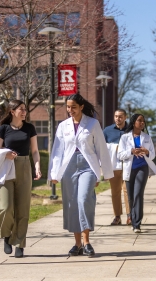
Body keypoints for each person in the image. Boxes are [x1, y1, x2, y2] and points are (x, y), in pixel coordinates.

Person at [48, 94, 113, 257]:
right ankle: (77, 243)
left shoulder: (92, 124)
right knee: (72, 203)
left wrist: (104, 172)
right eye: (68, 107)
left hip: (88, 166)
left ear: (81, 107)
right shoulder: (63, 126)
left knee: (84, 199)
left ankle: (87, 241)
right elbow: (57, 150)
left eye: (73, 107)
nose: (70, 110)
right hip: (68, 166)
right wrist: (54, 173)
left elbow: (101, 149)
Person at [0, 99, 41, 258]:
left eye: (25, 109)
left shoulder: (29, 128)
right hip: (6, 167)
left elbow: (34, 151)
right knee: (5, 207)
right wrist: (6, 154)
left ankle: (20, 243)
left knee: (23, 208)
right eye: (21, 109)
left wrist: (37, 166)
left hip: (24, 166)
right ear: (12, 111)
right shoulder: (3, 128)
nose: (24, 111)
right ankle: (7, 236)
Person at [118, 114, 156, 233]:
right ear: (133, 122)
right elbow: (120, 155)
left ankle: (137, 224)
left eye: (143, 121)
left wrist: (146, 152)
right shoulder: (125, 137)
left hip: (142, 168)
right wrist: (131, 151)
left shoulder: (147, 137)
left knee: (138, 194)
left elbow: (153, 154)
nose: (142, 123)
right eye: (139, 121)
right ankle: (132, 218)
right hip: (130, 169)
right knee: (130, 197)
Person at [103, 109, 131, 226]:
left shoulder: (131, 130)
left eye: (120, 117)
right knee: (115, 192)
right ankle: (117, 217)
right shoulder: (107, 131)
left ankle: (130, 216)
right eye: (116, 116)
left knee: (127, 191)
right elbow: (102, 149)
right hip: (113, 166)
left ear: (125, 117)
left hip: (127, 165)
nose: (117, 119)